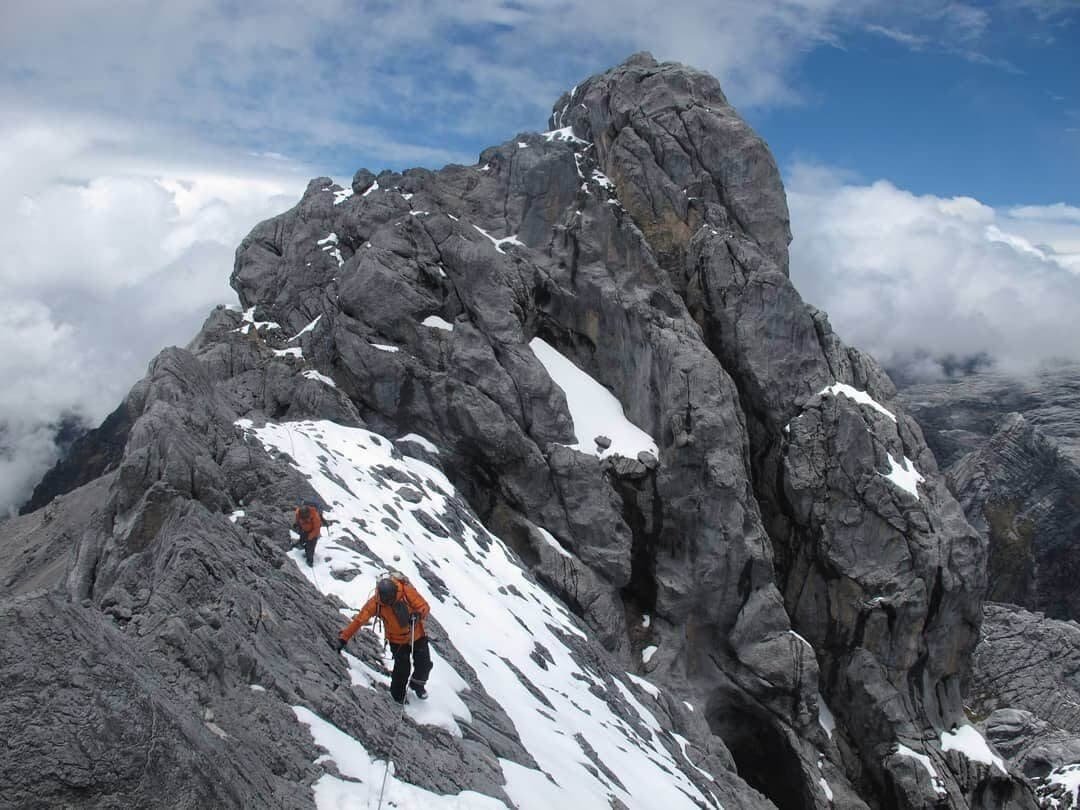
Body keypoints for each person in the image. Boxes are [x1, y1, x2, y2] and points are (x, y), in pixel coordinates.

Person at [338, 574, 432, 703]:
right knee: (402, 671)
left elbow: (424, 606)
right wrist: (344, 638)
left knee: (424, 665)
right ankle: (397, 698)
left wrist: (418, 614)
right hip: (397, 641)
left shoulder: (405, 591)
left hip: (417, 636)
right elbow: (359, 620)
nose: (389, 601)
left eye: (391, 598)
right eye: (386, 599)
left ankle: (417, 684)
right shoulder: (375, 603)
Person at [292, 502, 323, 568]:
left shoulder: (315, 516)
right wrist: (296, 523)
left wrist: (310, 537)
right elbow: (297, 519)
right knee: (302, 540)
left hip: (313, 532)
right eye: (303, 518)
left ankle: (310, 561)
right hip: (304, 530)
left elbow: (316, 530)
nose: (304, 519)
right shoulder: (298, 513)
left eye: (305, 518)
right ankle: (304, 547)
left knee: (310, 547)